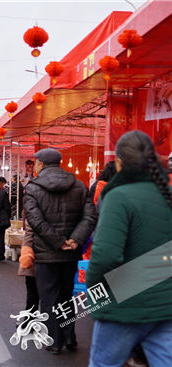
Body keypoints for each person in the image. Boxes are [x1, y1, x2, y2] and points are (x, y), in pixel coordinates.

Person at [87, 130, 172, 367]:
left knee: (103, 363)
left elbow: (105, 255)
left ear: (119, 162)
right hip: (166, 302)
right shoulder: (168, 193)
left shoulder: (118, 196)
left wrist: (96, 293)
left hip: (125, 302)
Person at [24, 148, 96, 355]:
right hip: (70, 253)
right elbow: (90, 217)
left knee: (48, 298)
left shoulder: (33, 188)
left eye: (36, 162)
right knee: (66, 296)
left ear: (42, 164)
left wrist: (57, 242)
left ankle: (54, 341)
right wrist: (74, 240)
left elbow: (35, 221)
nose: (35, 165)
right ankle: (69, 337)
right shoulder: (79, 186)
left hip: (46, 253)